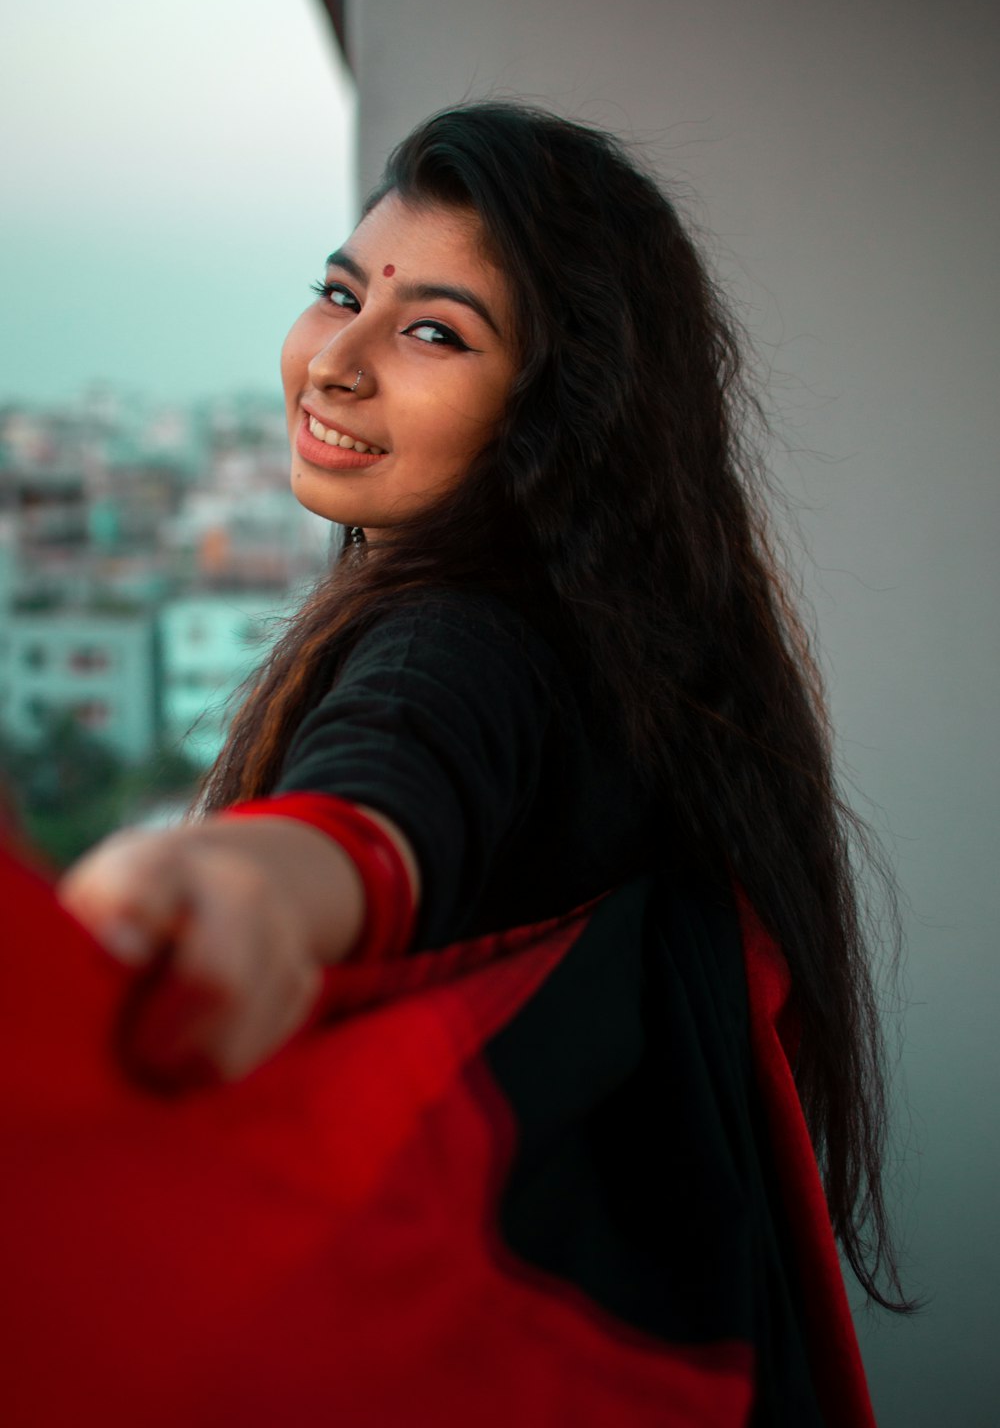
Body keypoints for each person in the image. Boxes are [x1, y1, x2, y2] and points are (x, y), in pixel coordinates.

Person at [55, 102, 908, 1422]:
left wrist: (260, 883)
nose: (333, 362)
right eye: (338, 294)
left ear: (552, 414)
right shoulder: (631, 648)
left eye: (433, 332)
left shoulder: (463, 641)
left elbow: (396, 787)